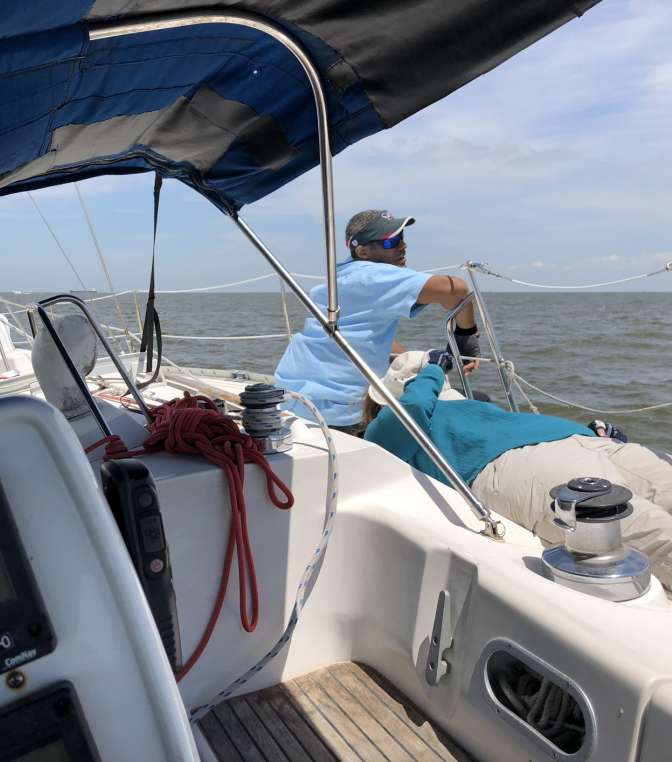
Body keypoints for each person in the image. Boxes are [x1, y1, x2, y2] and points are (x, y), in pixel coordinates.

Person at [363, 351, 672, 589]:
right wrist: (432, 370)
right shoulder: (386, 432)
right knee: (659, 538)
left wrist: (593, 433)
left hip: (583, 442)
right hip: (521, 465)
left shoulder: (469, 406)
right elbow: (412, 409)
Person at [276, 209, 482, 433]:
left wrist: (414, 363)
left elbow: (358, 337)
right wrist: (465, 337)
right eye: (390, 241)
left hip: (294, 403)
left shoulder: (334, 281)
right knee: (477, 403)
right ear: (363, 252)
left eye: (401, 238)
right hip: (343, 415)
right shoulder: (373, 276)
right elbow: (456, 290)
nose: (402, 246)